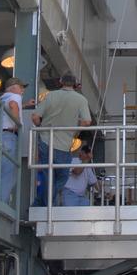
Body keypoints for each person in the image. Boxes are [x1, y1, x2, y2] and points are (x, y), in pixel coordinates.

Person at [33, 72, 92, 205]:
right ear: (75, 85)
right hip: (65, 142)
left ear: (60, 82)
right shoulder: (81, 99)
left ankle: (41, 203)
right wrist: (75, 132)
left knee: (48, 175)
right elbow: (87, 121)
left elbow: (35, 117)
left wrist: (41, 128)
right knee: (62, 176)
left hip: (46, 139)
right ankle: (43, 203)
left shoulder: (50, 96)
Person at [0, 76, 26, 206]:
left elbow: (9, 106)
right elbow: (13, 105)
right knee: (10, 173)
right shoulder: (15, 97)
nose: (22, 91)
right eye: (21, 88)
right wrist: (17, 123)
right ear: (14, 88)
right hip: (9, 136)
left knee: (2, 171)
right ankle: (1, 204)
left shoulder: (3, 98)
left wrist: (24, 106)